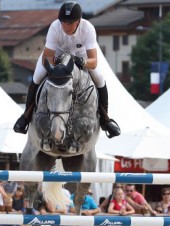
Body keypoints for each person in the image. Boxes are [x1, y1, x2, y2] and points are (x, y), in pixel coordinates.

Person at [12, 1, 120, 138]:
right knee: (37, 76)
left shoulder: (88, 29)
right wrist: (57, 67)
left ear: (78, 21)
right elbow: (47, 57)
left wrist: (84, 62)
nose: (65, 26)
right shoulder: (55, 27)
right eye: (63, 22)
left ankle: (106, 119)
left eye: (69, 23)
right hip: (56, 56)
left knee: (99, 79)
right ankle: (26, 116)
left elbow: (93, 62)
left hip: (81, 56)